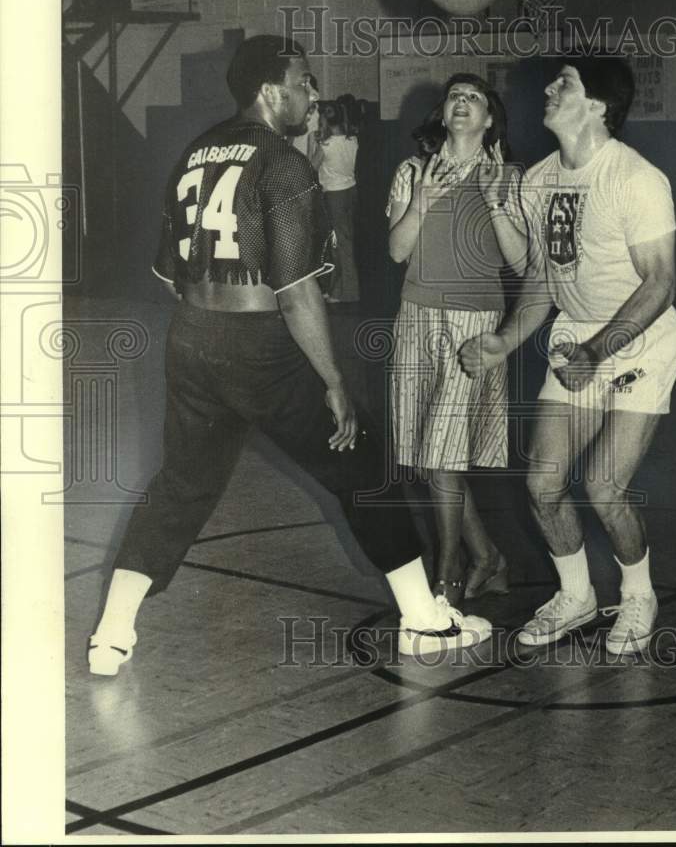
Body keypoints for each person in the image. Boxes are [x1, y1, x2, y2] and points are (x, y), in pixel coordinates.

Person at [87, 35, 492, 676]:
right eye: (304, 82)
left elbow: (167, 275)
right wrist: (332, 380)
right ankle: (425, 621)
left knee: (182, 487)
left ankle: (111, 635)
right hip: (260, 349)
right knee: (365, 467)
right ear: (272, 93)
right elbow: (298, 290)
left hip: (190, 340)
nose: (313, 94)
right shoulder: (283, 163)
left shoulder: (196, 150)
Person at [460, 56, 676, 654]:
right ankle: (577, 596)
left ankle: (638, 597)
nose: (551, 89)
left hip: (642, 339)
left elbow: (660, 283)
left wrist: (597, 350)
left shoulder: (637, 179)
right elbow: (540, 279)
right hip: (575, 337)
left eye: (568, 83)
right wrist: (506, 341)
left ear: (598, 106)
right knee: (542, 485)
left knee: (605, 487)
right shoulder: (537, 181)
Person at [386, 74, 514, 609]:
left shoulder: (508, 177)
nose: (462, 103)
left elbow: (519, 260)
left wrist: (495, 201)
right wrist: (421, 203)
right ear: (442, 113)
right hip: (415, 318)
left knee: (442, 454)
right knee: (432, 455)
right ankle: (488, 557)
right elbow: (396, 252)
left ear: (488, 120)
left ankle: (449, 564)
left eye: (475, 98)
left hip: (473, 326)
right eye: (455, 96)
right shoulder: (412, 171)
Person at [313, 95, 362, 303]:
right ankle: (336, 289)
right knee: (345, 241)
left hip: (334, 195)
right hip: (351, 190)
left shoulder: (326, 145)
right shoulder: (352, 139)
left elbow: (311, 167)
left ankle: (347, 293)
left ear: (325, 120)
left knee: (340, 245)